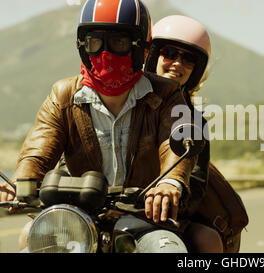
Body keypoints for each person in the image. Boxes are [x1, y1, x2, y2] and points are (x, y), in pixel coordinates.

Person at [0, 0, 197, 253]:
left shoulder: (166, 93)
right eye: (95, 42)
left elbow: (175, 141)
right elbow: (38, 147)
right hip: (76, 218)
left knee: (169, 251)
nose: (105, 53)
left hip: (144, 220)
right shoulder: (63, 94)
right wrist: (17, 184)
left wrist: (170, 183)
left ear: (141, 48)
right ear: (83, 45)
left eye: (118, 42)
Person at [145, 15, 248, 253]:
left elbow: (198, 180)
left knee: (207, 240)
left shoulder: (193, 120)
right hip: (110, 205)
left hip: (166, 213)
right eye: (169, 52)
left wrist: (171, 195)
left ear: (197, 68)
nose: (177, 63)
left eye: (189, 58)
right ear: (151, 55)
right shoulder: (124, 101)